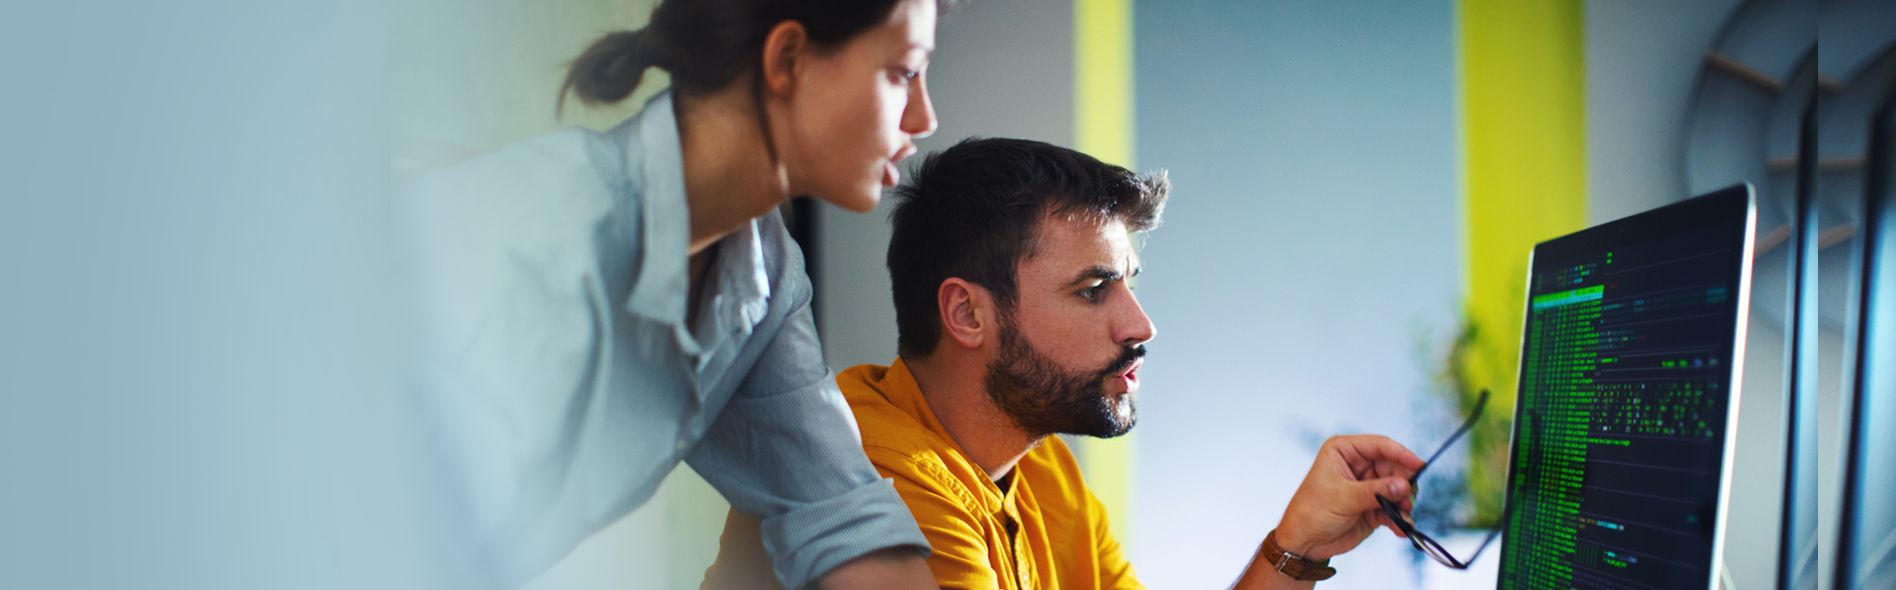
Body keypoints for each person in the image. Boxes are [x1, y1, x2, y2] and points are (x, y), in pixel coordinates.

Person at [394, 1, 956, 588]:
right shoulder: (540, 241)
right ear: (787, 59)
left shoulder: (762, 276)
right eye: (904, 72)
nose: (924, 118)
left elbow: (842, 515)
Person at [702, 138, 1426, 589]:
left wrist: (1297, 544)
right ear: (967, 314)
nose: (1140, 325)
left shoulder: (1039, 466)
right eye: (1092, 290)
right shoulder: (880, 477)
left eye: (1129, 285)